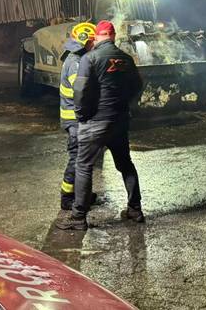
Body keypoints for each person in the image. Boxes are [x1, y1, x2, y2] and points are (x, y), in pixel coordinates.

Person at [58, 20, 144, 230]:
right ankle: (135, 209)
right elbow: (138, 86)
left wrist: (82, 114)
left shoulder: (90, 58)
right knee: (125, 165)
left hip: (95, 121)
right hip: (120, 121)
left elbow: (81, 90)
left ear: (97, 38)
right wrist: (125, 106)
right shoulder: (126, 59)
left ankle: (78, 217)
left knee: (84, 165)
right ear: (114, 36)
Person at [58, 22, 96, 210]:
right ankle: (67, 196)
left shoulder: (78, 58)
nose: (94, 45)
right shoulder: (75, 63)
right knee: (77, 158)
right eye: (92, 41)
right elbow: (82, 90)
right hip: (74, 120)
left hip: (76, 118)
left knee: (83, 158)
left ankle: (82, 193)